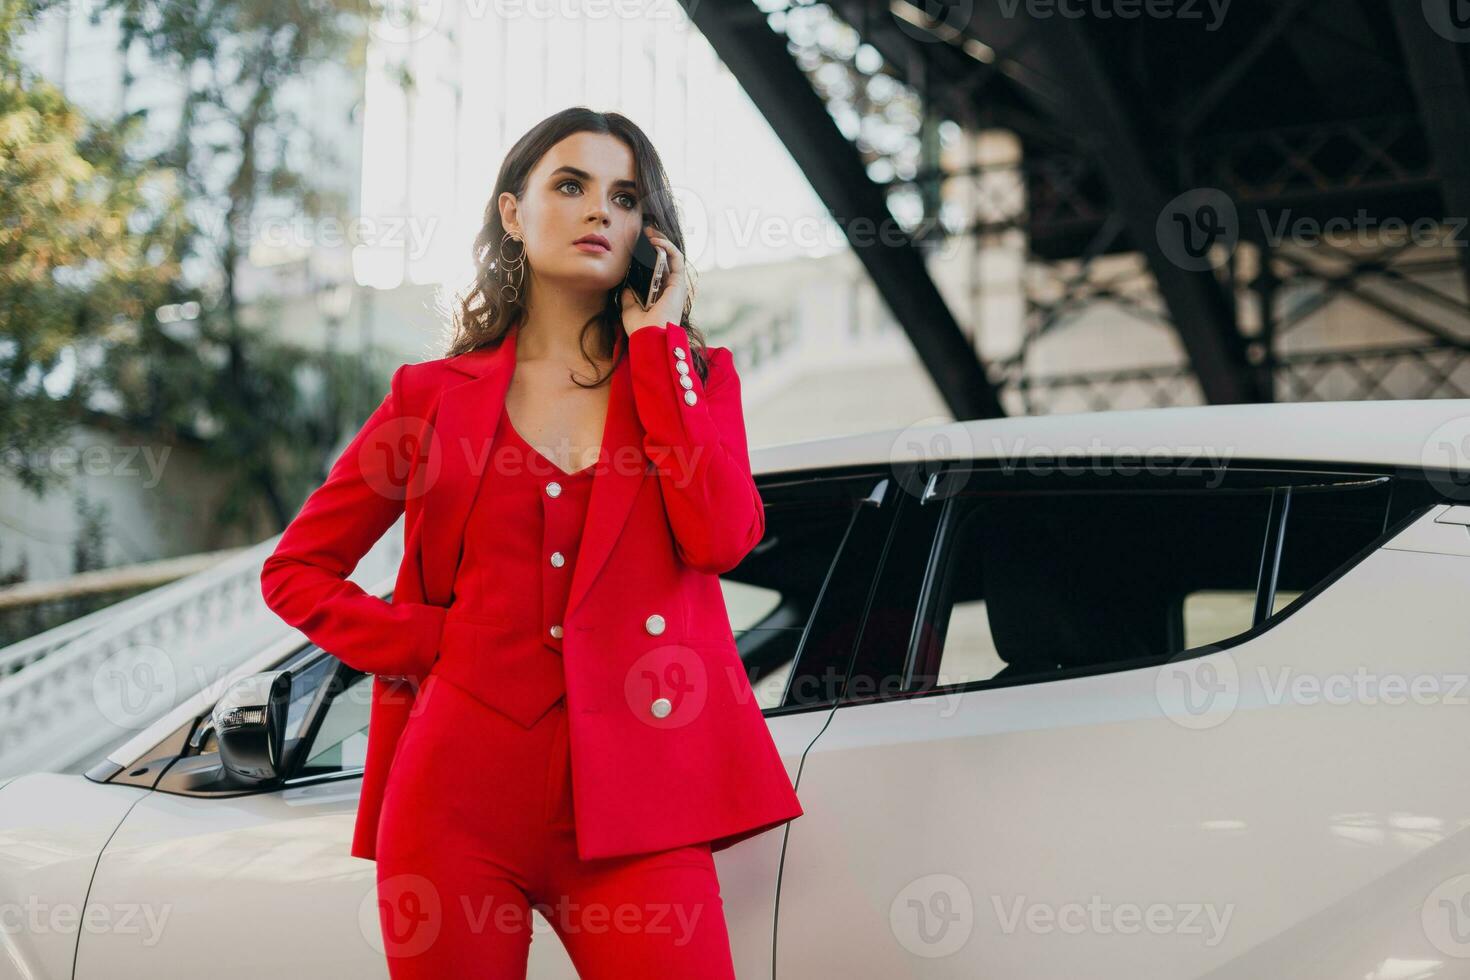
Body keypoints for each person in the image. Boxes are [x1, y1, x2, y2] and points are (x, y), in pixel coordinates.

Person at [259, 106, 803, 978]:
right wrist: (427, 643)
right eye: (571, 185)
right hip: (453, 802)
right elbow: (296, 570)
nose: (600, 212)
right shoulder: (431, 396)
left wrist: (657, 343)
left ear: (647, 230)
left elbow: (722, 538)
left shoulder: (694, 379)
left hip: (640, 809)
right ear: (513, 212)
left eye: (625, 197)